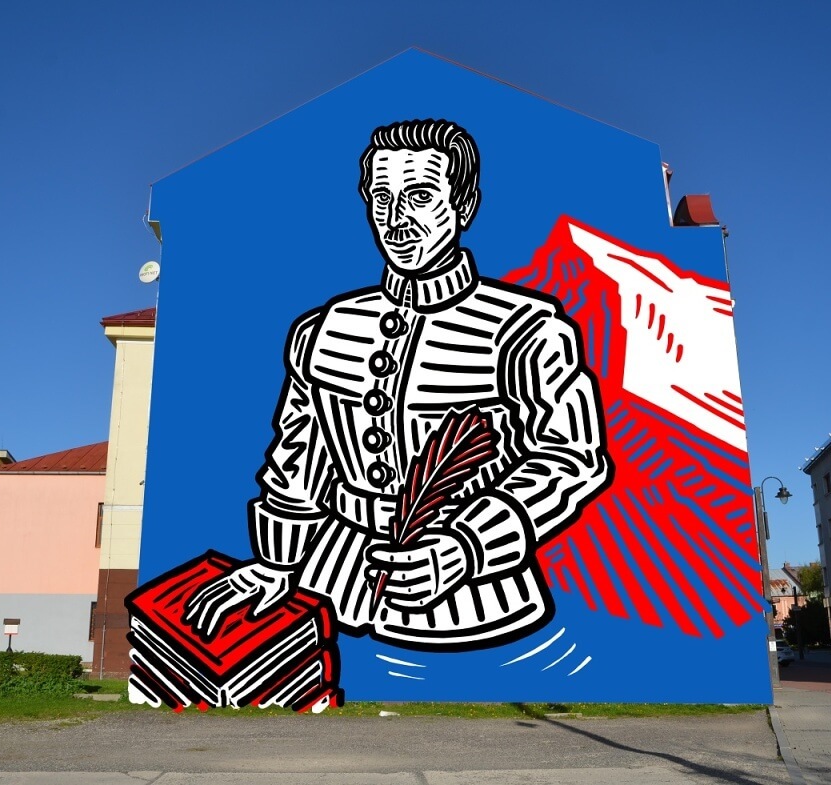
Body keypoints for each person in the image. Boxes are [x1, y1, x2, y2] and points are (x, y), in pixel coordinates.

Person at [183, 119, 612, 651]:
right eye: (382, 198)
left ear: (463, 206)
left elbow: (572, 459)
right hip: (330, 577)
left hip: (476, 598)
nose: (396, 218)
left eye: (420, 196)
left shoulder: (525, 327)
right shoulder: (323, 327)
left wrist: (466, 546)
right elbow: (300, 453)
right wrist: (276, 564)